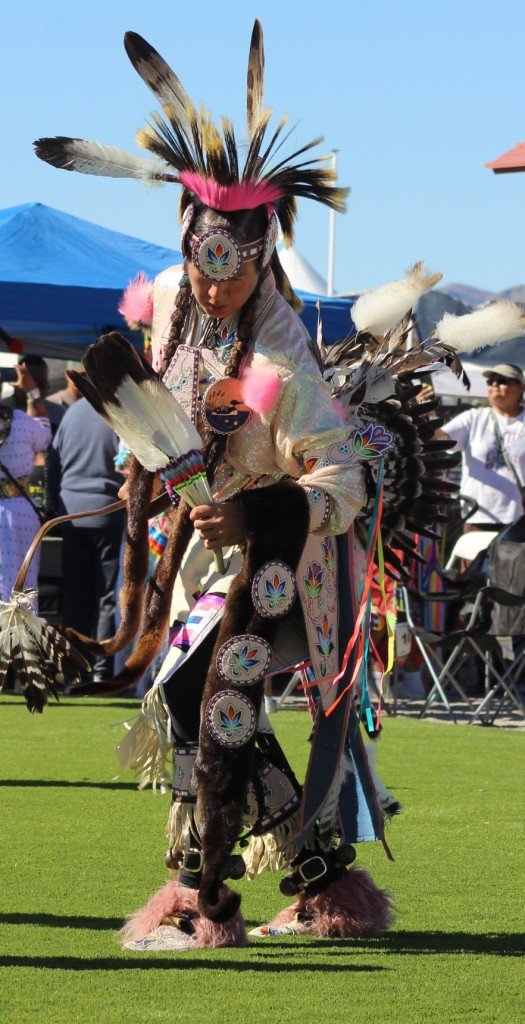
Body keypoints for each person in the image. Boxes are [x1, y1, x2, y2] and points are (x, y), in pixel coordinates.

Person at [34, 24, 463, 951]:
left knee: (206, 694)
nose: (215, 286)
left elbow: (341, 480)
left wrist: (259, 508)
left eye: (235, 268)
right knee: (191, 705)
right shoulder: (167, 324)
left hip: (289, 560)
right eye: (201, 264)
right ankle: (321, 884)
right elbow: (159, 430)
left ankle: (203, 901)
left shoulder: (282, 354)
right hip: (206, 557)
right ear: (187, 249)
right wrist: (142, 467)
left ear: (262, 256)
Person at [47, 399, 125, 682]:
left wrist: (55, 505)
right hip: (108, 512)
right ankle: (102, 670)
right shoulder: (118, 410)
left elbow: (52, 463)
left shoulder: (72, 413)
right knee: (107, 596)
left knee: (75, 597)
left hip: (71, 513)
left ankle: (73, 668)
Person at [443, 363, 525, 530]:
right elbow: (441, 438)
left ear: (520, 387)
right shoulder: (473, 418)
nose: (494, 384)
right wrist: (425, 412)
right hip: (477, 516)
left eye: (502, 380)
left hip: (519, 519)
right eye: (490, 381)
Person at [0, 364, 51, 607]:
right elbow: (44, 435)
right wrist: (31, 392)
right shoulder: (20, 421)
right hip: (20, 514)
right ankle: (23, 643)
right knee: (23, 589)